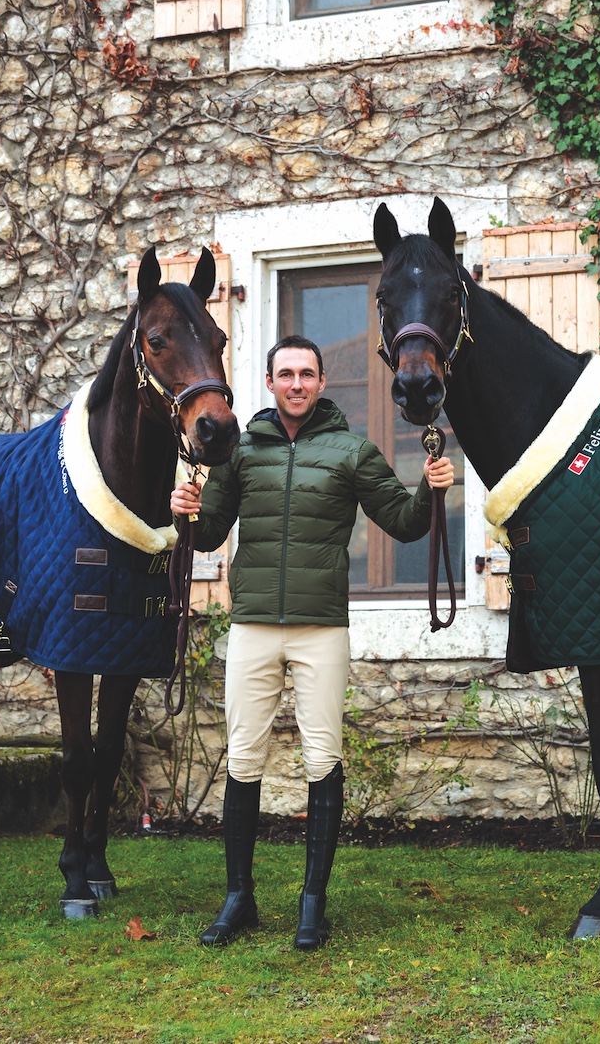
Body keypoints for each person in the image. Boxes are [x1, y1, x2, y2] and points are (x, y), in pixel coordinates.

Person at [169, 334, 455, 950]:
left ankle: (312, 904)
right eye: (286, 374)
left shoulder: (352, 452)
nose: (296, 384)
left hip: (321, 628)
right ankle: (238, 897)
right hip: (250, 626)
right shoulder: (240, 452)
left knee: (323, 760)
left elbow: (405, 526)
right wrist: (184, 510)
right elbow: (211, 534)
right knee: (243, 760)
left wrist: (433, 489)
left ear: (322, 383)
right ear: (270, 384)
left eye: (307, 374)